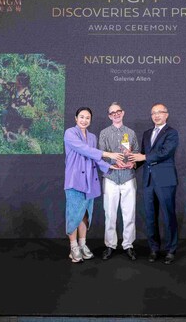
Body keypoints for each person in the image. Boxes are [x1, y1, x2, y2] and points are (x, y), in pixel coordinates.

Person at [63, 107, 123, 263]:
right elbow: (84, 150)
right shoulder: (70, 133)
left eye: (87, 118)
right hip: (75, 180)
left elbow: (94, 157)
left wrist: (109, 166)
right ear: (76, 118)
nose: (84, 120)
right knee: (73, 214)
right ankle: (73, 247)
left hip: (90, 181)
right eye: (81, 117)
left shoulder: (92, 137)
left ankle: (82, 244)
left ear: (90, 120)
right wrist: (108, 154)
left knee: (85, 214)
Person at [129, 103, 179, 265]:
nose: (156, 115)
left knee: (168, 216)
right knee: (150, 216)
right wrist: (133, 164)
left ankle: (171, 250)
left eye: (160, 112)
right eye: (153, 113)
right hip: (148, 180)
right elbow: (143, 155)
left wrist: (143, 157)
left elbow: (165, 152)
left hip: (165, 179)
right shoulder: (147, 133)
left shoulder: (171, 133)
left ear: (166, 115)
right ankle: (154, 249)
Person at [98, 102, 140, 261]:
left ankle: (128, 245)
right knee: (110, 214)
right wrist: (114, 162)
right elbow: (101, 155)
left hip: (128, 177)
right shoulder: (104, 133)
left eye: (118, 111)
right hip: (111, 177)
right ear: (109, 116)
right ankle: (110, 245)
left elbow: (136, 153)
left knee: (129, 214)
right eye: (112, 112)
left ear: (123, 113)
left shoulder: (131, 133)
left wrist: (132, 163)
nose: (116, 114)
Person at [0, 72, 33, 141]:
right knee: (3, 112)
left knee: (29, 119)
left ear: (21, 83)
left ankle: (22, 133)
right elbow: (2, 82)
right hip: (10, 112)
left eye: (17, 80)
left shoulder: (27, 95)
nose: (16, 81)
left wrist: (18, 108)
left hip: (19, 116)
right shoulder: (13, 86)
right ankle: (5, 133)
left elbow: (29, 111)